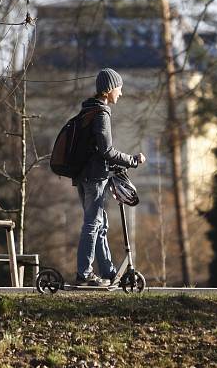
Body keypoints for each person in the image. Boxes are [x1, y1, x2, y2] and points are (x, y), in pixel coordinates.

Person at [73, 68, 146, 286]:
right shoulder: (101, 114)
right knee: (92, 224)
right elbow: (107, 150)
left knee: (100, 224)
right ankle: (83, 275)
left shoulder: (88, 111)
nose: (120, 94)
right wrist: (132, 160)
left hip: (85, 176)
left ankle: (108, 272)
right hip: (94, 178)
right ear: (108, 90)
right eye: (119, 89)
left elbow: (97, 150)